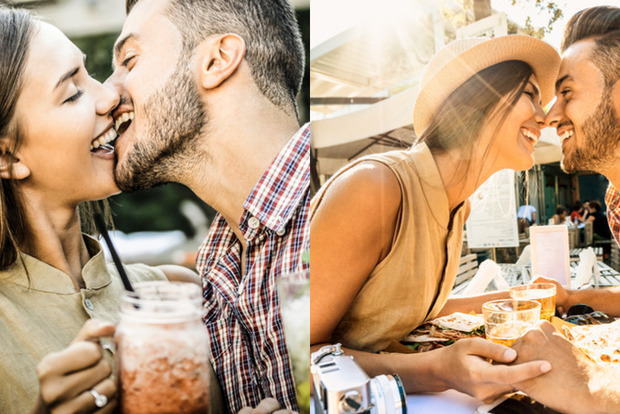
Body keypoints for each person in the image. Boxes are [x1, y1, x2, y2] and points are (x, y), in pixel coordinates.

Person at [311, 35, 559, 402]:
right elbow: (294, 351)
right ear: (479, 98)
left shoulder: (459, 206)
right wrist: (438, 370)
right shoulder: (376, 187)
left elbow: (409, 309)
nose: (545, 116)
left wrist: (523, 298)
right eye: (530, 95)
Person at [0, 7, 211, 413]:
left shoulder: (177, 293)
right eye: (74, 93)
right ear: (7, 157)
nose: (111, 95)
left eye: (90, 74)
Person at [105, 0, 309, 412]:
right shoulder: (217, 265)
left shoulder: (340, 206)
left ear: (216, 60)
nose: (108, 93)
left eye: (129, 60)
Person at [510, 6, 620, 413]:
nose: (551, 115)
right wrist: (573, 296)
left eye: (567, 92)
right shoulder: (615, 201)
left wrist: (584, 383)